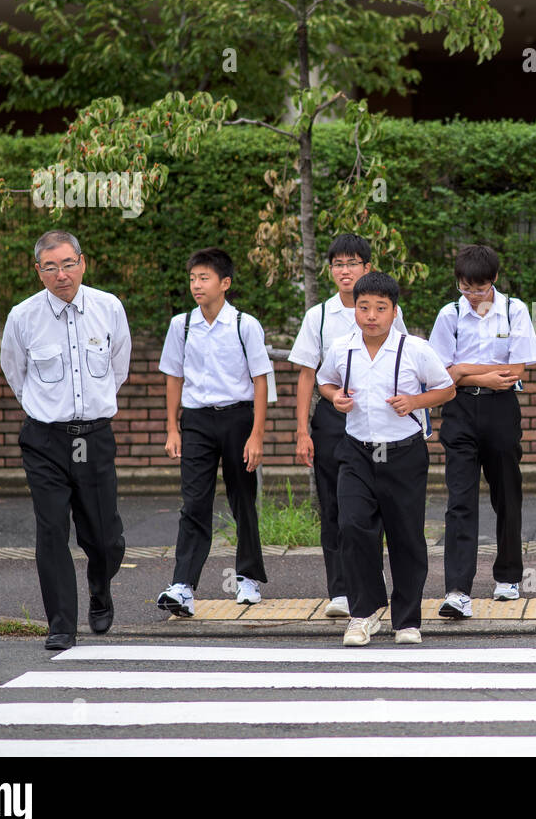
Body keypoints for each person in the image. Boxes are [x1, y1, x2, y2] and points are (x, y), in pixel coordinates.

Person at [0, 230, 131, 650]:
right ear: (38, 272)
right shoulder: (23, 317)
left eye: (68, 263)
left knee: (104, 537)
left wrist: (89, 409)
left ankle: (100, 587)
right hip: (45, 440)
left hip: (93, 437)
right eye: (51, 267)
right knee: (52, 530)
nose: (62, 274)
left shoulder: (108, 308)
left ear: (83, 262)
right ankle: (60, 624)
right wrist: (48, 409)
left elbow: (118, 367)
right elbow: (16, 374)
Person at [316, 272, 454, 646]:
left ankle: (407, 620)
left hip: (404, 454)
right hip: (357, 452)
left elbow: (447, 388)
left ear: (394, 311)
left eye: (380, 308)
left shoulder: (416, 349)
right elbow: (324, 381)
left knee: (406, 536)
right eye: (364, 308)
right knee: (354, 526)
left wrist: (415, 402)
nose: (371, 315)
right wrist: (334, 398)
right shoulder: (342, 348)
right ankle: (364, 613)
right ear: (354, 311)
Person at [290, 234, 406, 618]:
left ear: (367, 268)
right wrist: (302, 431)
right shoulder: (318, 316)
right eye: (338, 264)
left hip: (377, 420)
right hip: (332, 420)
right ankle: (340, 589)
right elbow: (308, 375)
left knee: (376, 505)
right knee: (334, 504)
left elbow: (403, 362)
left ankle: (373, 581)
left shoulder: (388, 309)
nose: (345, 270)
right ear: (330, 270)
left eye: (352, 263)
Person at [156, 247, 273, 618]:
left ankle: (248, 578)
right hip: (196, 421)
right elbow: (174, 377)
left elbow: (260, 381)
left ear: (225, 283)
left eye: (204, 278)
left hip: (238, 418)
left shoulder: (245, 325)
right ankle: (183, 587)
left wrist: (257, 434)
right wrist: (172, 428)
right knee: (194, 503)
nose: (196, 285)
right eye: (192, 278)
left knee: (243, 499)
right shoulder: (182, 325)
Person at [428, 245, 536, 619]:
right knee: (460, 501)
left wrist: (464, 370)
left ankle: (508, 577)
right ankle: (458, 590)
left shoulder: (514, 310)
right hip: (459, 409)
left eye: (478, 288)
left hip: (500, 410)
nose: (471, 295)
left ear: (493, 280)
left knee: (507, 493)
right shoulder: (449, 315)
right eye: (464, 288)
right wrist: (472, 375)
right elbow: (442, 373)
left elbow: (516, 372)